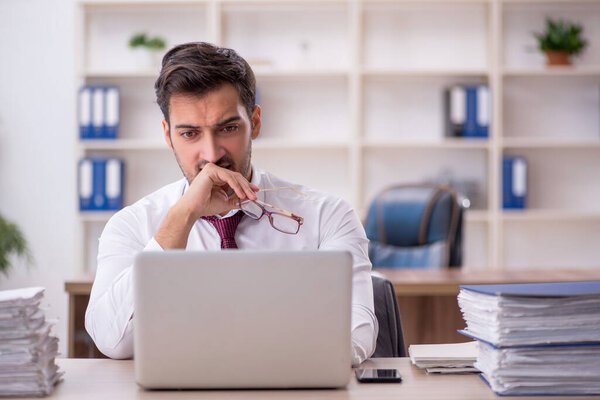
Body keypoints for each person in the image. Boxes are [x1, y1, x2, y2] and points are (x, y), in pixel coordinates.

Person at [85, 42, 378, 365]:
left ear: (255, 122)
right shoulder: (133, 225)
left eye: (227, 128)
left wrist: (249, 354)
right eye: (189, 134)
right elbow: (112, 342)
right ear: (168, 135)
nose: (211, 155)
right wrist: (182, 217)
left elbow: (357, 334)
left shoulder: (327, 216)